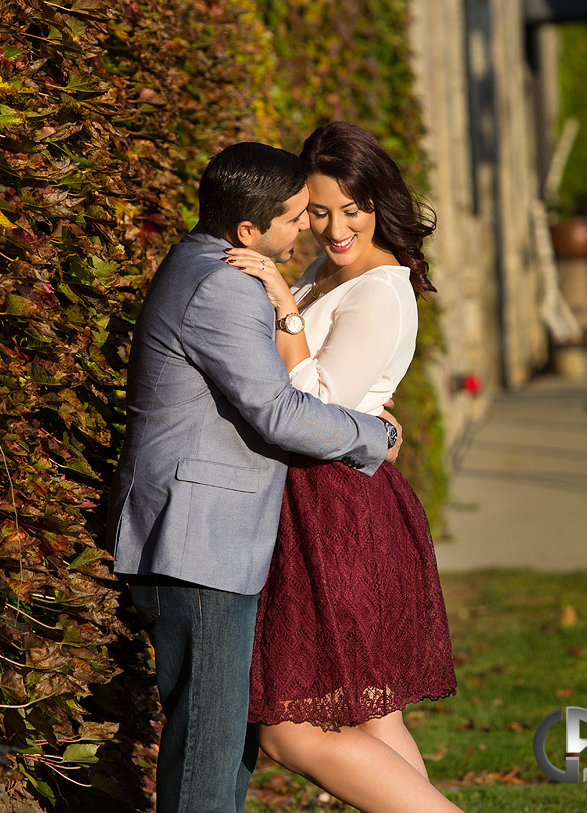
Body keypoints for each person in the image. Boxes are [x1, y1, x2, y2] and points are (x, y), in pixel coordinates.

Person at [104, 141, 405, 813]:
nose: (311, 229)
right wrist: (375, 434)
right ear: (249, 230)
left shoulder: (206, 264)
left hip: (205, 542)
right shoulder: (224, 285)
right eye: (298, 216)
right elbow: (277, 411)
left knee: (223, 748)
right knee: (208, 761)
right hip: (199, 544)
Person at [225, 121, 460, 812]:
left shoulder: (380, 288)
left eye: (349, 211)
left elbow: (317, 404)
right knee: (371, 715)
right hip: (319, 506)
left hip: (339, 513)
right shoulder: (329, 270)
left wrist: (284, 311)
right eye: (319, 210)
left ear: (376, 203)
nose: (334, 228)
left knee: (290, 729)